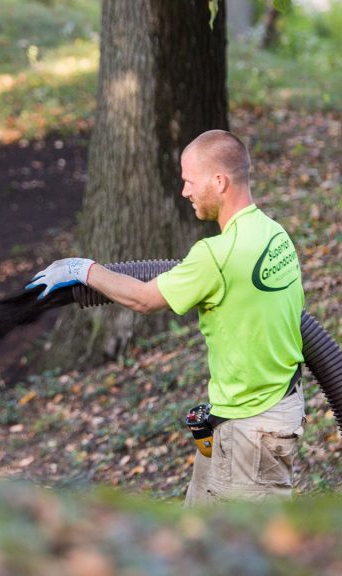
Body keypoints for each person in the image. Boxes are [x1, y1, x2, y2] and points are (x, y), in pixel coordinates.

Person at [26, 129, 305, 503]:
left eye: (189, 181)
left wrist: (84, 270)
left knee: (242, 552)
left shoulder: (216, 255)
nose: (185, 192)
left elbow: (143, 299)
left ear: (219, 181)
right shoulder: (273, 234)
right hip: (256, 412)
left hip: (252, 431)